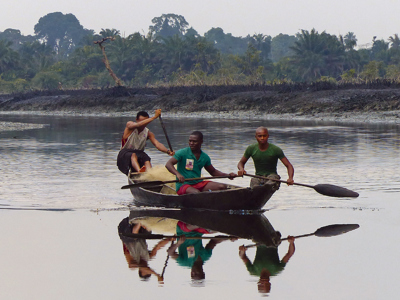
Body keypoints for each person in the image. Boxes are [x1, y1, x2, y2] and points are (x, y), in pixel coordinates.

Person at [165, 131, 236, 195]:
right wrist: (178, 174)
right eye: (190, 141)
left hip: (198, 183)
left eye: (194, 141)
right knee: (196, 193)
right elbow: (168, 164)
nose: (191, 143)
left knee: (222, 187)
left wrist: (228, 175)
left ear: (201, 142)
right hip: (183, 185)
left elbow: (213, 171)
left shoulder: (204, 157)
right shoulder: (182, 152)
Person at [117, 109, 174, 175]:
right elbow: (138, 125)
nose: (144, 123)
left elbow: (157, 144)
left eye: (146, 121)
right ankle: (139, 172)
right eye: (142, 121)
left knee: (146, 158)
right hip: (125, 153)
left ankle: (150, 173)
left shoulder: (148, 133)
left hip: (139, 153)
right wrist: (154, 117)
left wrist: (167, 151)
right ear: (137, 120)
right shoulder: (130, 125)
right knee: (133, 155)